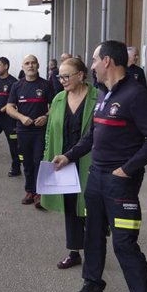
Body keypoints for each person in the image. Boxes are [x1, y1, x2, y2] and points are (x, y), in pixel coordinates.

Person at [53, 40, 147, 292]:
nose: (91, 65)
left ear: (107, 61)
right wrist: (69, 155)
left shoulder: (136, 95)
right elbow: (92, 136)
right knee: (92, 234)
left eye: (94, 60)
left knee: (124, 244)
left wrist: (126, 169)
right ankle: (93, 287)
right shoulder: (105, 95)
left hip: (121, 184)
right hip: (96, 179)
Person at [41, 58, 98, 269]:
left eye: (67, 76)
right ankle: (74, 252)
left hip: (88, 161)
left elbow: (95, 134)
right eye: (60, 76)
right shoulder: (58, 99)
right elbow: (50, 132)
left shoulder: (97, 97)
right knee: (71, 207)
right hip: (63, 162)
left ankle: (95, 251)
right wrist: (48, 156)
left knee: (90, 207)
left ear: (81, 75)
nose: (62, 80)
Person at [6, 54, 54, 208]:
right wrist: (21, 117)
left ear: (38, 65)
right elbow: (9, 108)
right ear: (23, 67)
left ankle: (40, 193)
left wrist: (46, 116)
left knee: (39, 161)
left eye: (33, 62)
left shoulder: (46, 85)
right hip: (23, 130)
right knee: (26, 161)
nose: (30, 65)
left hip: (40, 131)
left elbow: (55, 106)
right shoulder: (17, 86)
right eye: (27, 63)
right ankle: (30, 191)